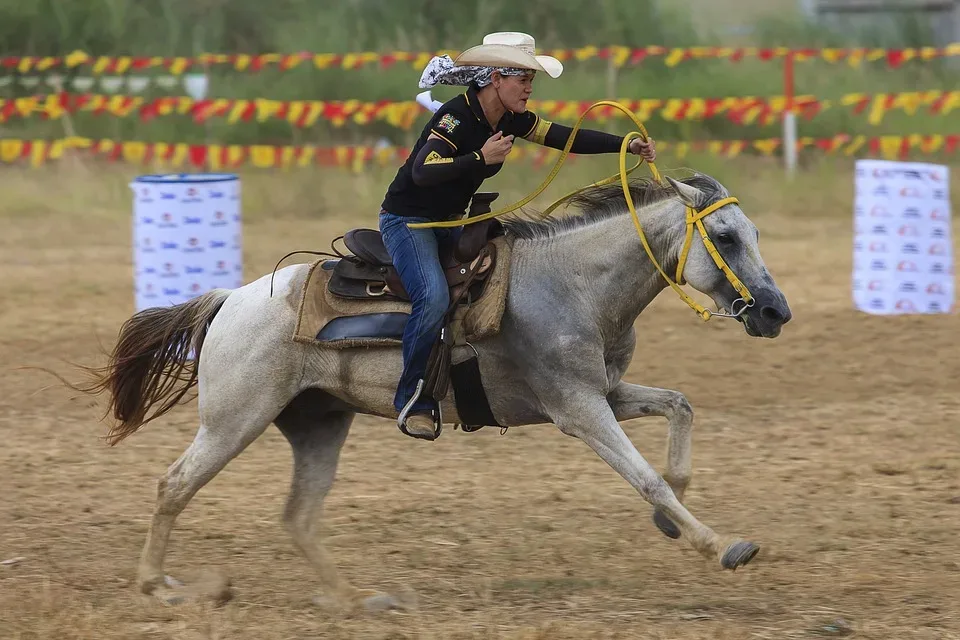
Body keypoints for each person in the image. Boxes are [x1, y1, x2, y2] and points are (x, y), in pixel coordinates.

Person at [379, 32, 657, 440]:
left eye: (531, 80)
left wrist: (625, 145)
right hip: (410, 222)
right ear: (497, 78)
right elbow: (422, 170)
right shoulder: (455, 117)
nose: (529, 88)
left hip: (454, 221)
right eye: (523, 79)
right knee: (434, 297)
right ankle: (413, 399)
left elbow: (564, 136)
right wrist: (479, 158)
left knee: (508, 282)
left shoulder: (510, 118)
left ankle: (480, 388)